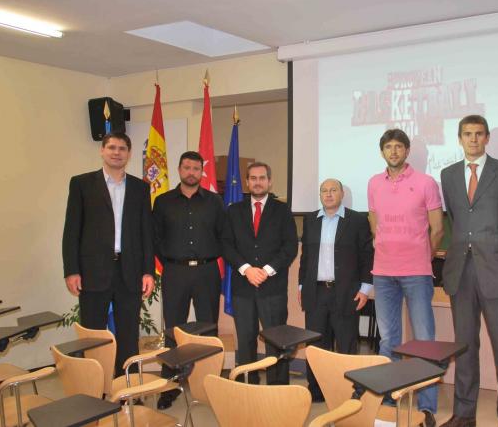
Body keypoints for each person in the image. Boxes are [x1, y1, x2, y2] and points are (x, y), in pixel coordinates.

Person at [440, 115, 498, 427]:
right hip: (460, 271)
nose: (473, 139)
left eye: (478, 134)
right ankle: (464, 414)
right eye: (467, 134)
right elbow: (456, 220)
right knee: (464, 347)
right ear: (459, 138)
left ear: (487, 138)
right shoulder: (447, 175)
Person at [367, 128, 444, 427]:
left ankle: (427, 406)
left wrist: (423, 257)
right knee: (389, 340)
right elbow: (374, 221)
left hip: (417, 272)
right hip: (383, 273)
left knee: (424, 340)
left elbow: (437, 229)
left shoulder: (426, 183)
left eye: (399, 146)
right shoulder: (374, 183)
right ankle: (388, 401)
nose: (394, 151)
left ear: (407, 151)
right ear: (382, 151)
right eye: (389, 147)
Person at [62, 132, 154, 376]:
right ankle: (95, 391)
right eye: (112, 147)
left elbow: (146, 233)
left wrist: (148, 271)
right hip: (93, 272)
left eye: (122, 148)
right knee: (93, 336)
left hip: (129, 271)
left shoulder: (140, 188)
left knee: (128, 335)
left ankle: (128, 390)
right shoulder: (82, 184)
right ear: (102, 151)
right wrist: (71, 270)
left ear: (129, 154)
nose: (117, 152)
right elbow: (72, 230)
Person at [152, 151, 226, 409]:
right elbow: (156, 238)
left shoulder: (215, 202)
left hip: (207, 271)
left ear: (201, 172)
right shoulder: (162, 202)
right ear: (179, 169)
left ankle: (210, 382)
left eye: (196, 168)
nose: (191, 172)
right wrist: (172, 259)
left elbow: (223, 235)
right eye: (187, 167)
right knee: (174, 330)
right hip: (175, 272)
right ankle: (170, 386)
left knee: (208, 329)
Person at [222, 162, 298, 384]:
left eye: (262, 178)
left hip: (272, 288)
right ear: (246, 182)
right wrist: (246, 269)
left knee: (276, 341)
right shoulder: (233, 211)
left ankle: (277, 389)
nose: (257, 182)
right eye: (253, 178)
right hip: (242, 288)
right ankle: (249, 387)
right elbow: (226, 244)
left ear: (269, 181)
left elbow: (290, 246)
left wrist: (265, 270)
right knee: (245, 341)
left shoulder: (282, 210)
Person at [298, 178, 373, 402]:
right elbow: (306, 257)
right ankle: (317, 390)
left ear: (342, 194)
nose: (328, 194)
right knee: (316, 345)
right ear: (320, 195)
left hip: (346, 292)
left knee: (346, 343)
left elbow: (367, 255)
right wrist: (302, 285)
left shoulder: (357, 219)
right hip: (316, 291)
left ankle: (349, 391)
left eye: (333, 190)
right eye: (324, 191)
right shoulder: (311, 219)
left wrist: (365, 288)